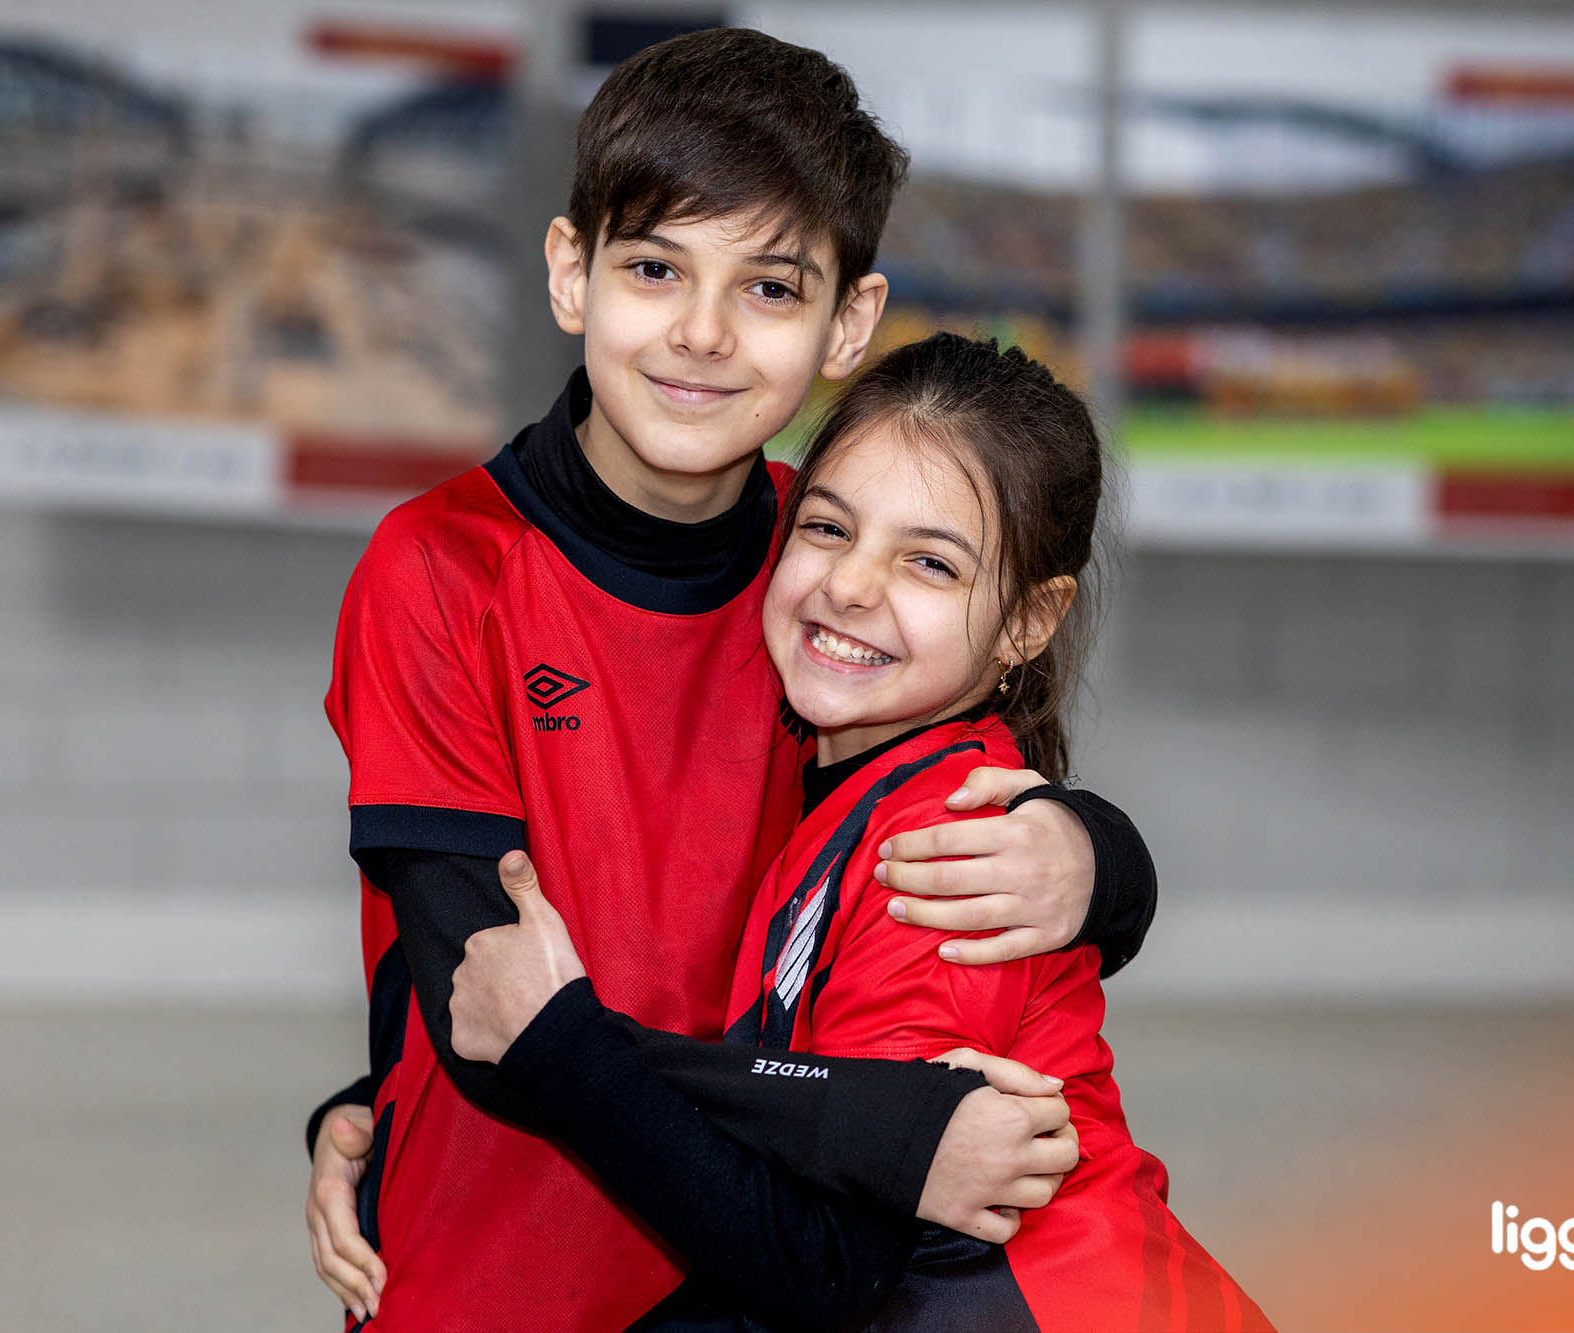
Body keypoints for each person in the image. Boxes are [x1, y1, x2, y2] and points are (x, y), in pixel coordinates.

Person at [305, 29, 1160, 1332]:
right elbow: (491, 1017)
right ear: (571, 272)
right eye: (655, 268)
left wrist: (1099, 860)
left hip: (753, 1256)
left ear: (846, 323)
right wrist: (883, 1124)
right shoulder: (441, 570)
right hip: (482, 1270)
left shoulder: (828, 572)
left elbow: (946, 807)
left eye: (768, 286)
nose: (701, 334)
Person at [449, 332, 1274, 1332]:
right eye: (829, 527)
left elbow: (824, 1262)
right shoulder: (836, 785)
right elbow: (806, 1114)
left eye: (929, 562)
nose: (850, 584)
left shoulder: (948, 856)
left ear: (1027, 620)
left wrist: (563, 1044)